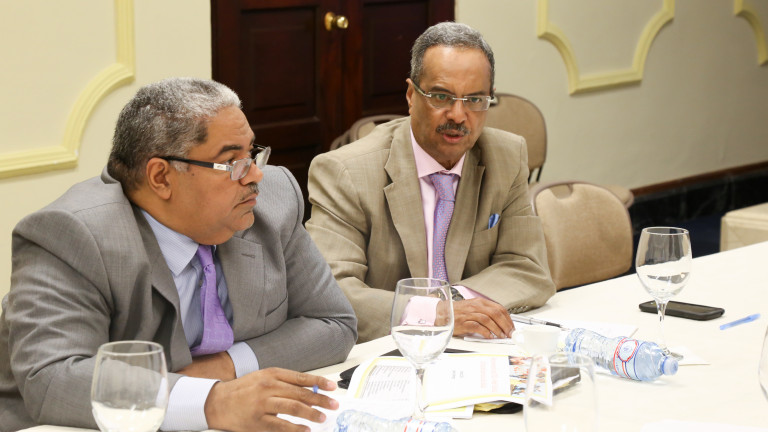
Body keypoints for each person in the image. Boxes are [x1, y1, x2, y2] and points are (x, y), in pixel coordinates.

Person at [0, 77, 357, 432]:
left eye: (252, 154)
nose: (255, 175)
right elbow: (52, 377)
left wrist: (225, 367)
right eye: (231, 161)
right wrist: (213, 401)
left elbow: (333, 323)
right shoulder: (71, 234)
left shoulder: (271, 201)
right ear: (161, 177)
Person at [306, 22, 555, 343]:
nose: (458, 115)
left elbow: (528, 267)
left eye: (475, 99)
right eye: (441, 96)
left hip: (475, 344)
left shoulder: (506, 156)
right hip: (390, 348)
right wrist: (432, 314)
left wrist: (454, 304)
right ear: (411, 96)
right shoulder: (345, 172)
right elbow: (331, 291)